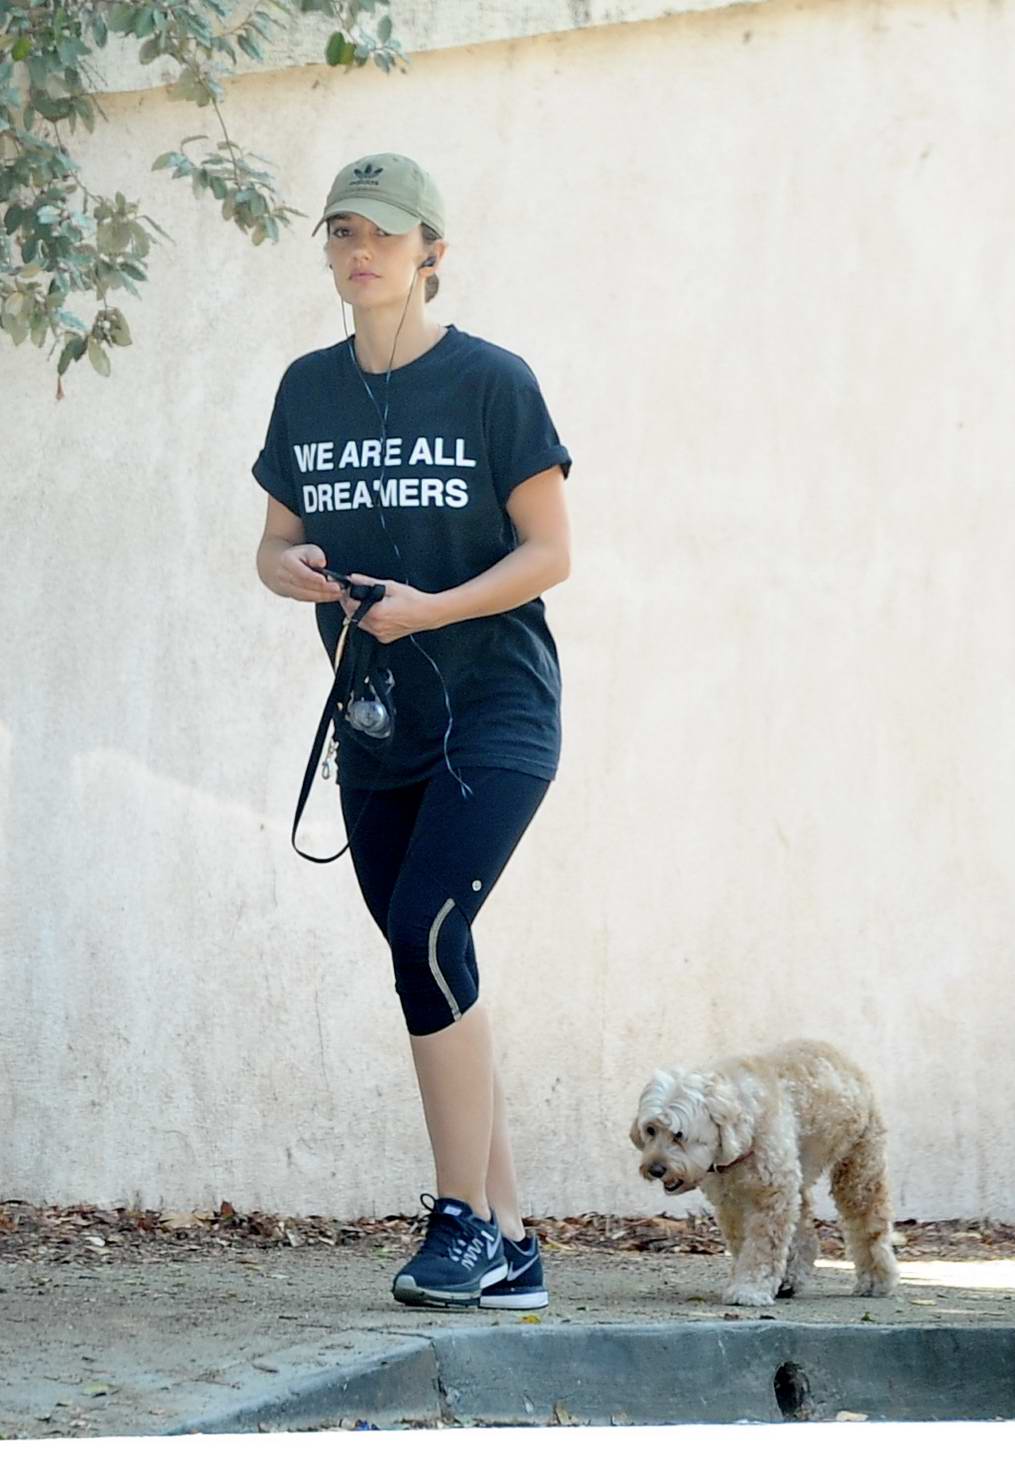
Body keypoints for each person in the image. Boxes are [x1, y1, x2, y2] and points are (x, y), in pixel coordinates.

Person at [251, 153, 572, 1311]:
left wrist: (431, 607)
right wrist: (289, 570)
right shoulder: (306, 389)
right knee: (421, 946)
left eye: (382, 234)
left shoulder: (493, 383)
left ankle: (455, 1220)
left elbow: (549, 553)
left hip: (494, 708)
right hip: (374, 719)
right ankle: (511, 1238)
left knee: (430, 922)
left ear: (430, 252)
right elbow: (272, 545)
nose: (359, 252)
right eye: (340, 233)